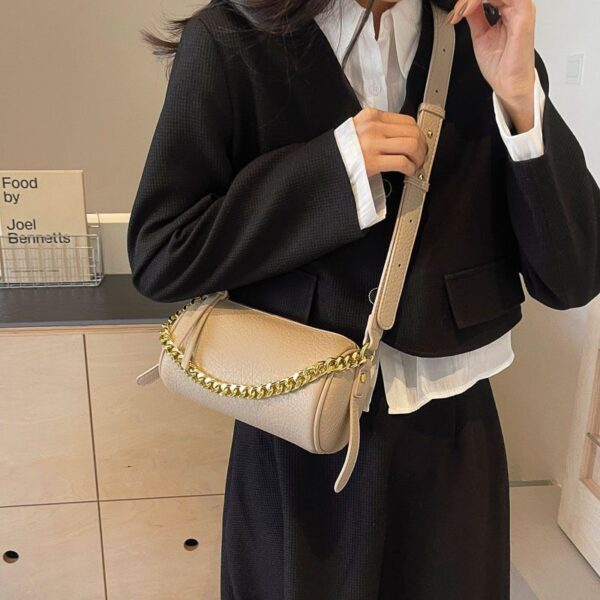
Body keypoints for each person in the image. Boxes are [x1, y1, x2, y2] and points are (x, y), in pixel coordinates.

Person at [126, 0, 600, 598]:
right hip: (296, 424)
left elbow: (574, 277)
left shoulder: (485, 40)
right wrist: (335, 169)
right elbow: (163, 251)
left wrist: (519, 95)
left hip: (452, 428)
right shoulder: (228, 38)